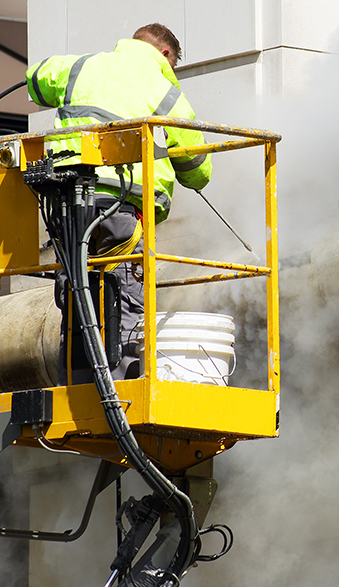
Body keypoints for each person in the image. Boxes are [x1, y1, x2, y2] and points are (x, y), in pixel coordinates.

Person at [25, 23, 212, 380]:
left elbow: (35, 79)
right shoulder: (165, 92)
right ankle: (120, 388)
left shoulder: (80, 67)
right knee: (122, 292)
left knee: (77, 291)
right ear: (165, 55)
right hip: (120, 208)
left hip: (67, 204)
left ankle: (77, 382)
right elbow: (198, 169)